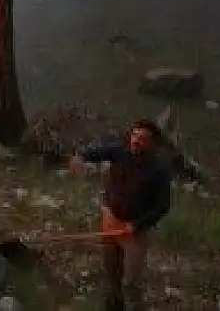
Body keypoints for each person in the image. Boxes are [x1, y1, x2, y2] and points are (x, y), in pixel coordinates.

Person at [70, 119, 174, 311]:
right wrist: (80, 156)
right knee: (112, 274)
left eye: (142, 138)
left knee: (131, 282)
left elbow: (162, 206)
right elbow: (96, 152)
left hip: (134, 233)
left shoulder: (159, 171)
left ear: (152, 144)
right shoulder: (120, 151)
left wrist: (137, 226)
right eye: (134, 135)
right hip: (110, 221)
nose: (136, 141)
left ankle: (133, 306)